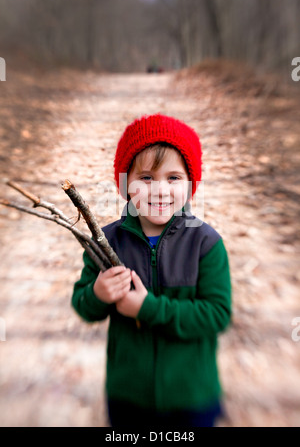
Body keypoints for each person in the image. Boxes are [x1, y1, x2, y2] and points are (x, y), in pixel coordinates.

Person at [72, 113, 232, 428]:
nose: (159, 189)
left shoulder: (206, 244)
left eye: (173, 178)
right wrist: (97, 293)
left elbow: (217, 314)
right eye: (146, 177)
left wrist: (148, 308)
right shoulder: (107, 243)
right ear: (125, 184)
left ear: (190, 184)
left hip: (191, 396)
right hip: (128, 396)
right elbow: (84, 307)